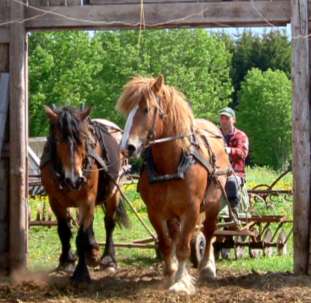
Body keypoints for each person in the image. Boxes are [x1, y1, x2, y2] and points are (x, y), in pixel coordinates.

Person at [218, 107, 249, 212]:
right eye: (222, 118)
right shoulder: (215, 135)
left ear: (233, 120)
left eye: (227, 118)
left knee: (231, 182)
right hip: (216, 172)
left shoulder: (240, 136)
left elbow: (243, 153)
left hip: (235, 172)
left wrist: (229, 150)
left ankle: (234, 211)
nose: (224, 121)